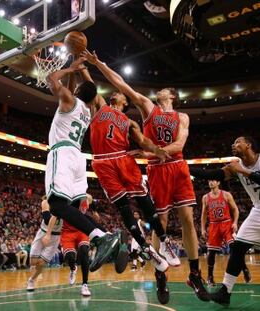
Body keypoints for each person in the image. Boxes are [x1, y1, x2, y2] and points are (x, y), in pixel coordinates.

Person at [82, 50, 209, 302]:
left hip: (177, 164)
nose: (159, 91)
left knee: (187, 218)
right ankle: (160, 275)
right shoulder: (147, 107)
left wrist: (161, 150)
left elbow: (181, 144)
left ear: (172, 96)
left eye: (164, 90)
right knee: (158, 220)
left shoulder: (182, 117)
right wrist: (98, 63)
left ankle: (194, 273)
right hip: (157, 168)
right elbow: (121, 83)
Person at [45, 57, 126, 273]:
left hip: (62, 153)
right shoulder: (87, 111)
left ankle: (99, 238)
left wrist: (70, 69)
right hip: (78, 158)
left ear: (78, 90)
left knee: (56, 206)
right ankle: (107, 236)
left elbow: (51, 78)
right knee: (72, 210)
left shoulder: (68, 100)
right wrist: (75, 71)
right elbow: (73, 90)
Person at [190, 136, 259, 305]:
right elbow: (211, 174)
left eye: (237, 142)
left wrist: (242, 171)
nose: (233, 145)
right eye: (233, 142)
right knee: (237, 248)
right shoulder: (235, 166)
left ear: (248, 145)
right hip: (258, 209)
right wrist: (185, 168)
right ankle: (225, 292)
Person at [201, 180, 251, 286]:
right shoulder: (205, 197)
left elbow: (235, 210)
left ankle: (245, 270)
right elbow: (204, 214)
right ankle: (210, 276)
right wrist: (202, 229)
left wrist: (235, 223)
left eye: (213, 180)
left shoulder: (226, 194)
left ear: (218, 182)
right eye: (209, 180)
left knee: (235, 249)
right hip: (213, 225)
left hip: (227, 223)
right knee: (211, 252)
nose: (210, 182)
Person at [27, 197, 63, 292]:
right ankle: (33, 271)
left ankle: (32, 280)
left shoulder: (66, 206)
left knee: (41, 263)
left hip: (55, 237)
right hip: (43, 233)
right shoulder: (45, 202)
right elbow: (47, 219)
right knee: (33, 262)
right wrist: (60, 213)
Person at [60, 195, 93, 297]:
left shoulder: (86, 199)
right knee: (70, 256)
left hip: (81, 230)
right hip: (67, 232)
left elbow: (90, 200)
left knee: (84, 251)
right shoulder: (66, 198)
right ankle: (73, 268)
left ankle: (85, 284)